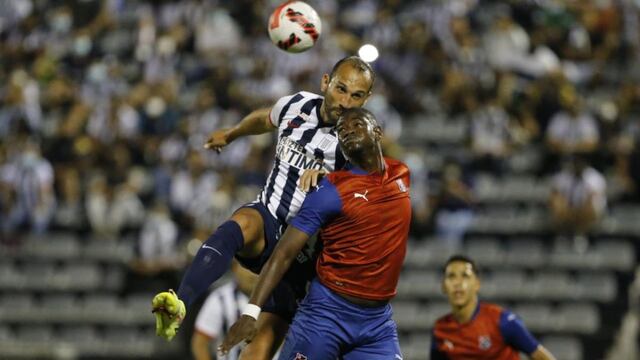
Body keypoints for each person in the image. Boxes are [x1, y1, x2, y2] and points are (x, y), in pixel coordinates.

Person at [151, 56, 375, 358]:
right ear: (325, 82)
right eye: (341, 89)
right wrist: (231, 134)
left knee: (256, 354)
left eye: (356, 95)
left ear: (367, 99)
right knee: (240, 223)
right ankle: (179, 301)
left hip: (302, 256)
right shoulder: (297, 105)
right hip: (268, 218)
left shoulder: (359, 140)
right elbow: (266, 118)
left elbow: (371, 192)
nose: (346, 102)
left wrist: (334, 180)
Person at [219, 108, 411, 359]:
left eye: (356, 124)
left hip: (376, 322)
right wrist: (251, 312)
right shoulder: (329, 190)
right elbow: (284, 253)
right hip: (326, 315)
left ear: (377, 131)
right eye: (341, 130)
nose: (347, 131)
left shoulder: (402, 174)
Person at [431, 255, 556, 360]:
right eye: (451, 276)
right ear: (443, 286)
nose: (458, 283)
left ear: (477, 284)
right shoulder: (440, 329)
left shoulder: (502, 322)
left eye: (465, 276)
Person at [192, 260, 264, 360]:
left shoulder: (277, 298)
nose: (251, 274)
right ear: (234, 269)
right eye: (247, 268)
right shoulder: (220, 299)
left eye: (256, 268)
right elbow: (200, 344)